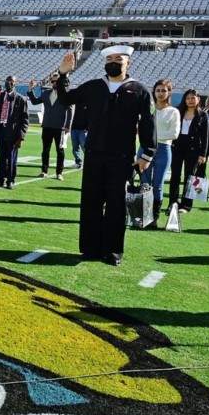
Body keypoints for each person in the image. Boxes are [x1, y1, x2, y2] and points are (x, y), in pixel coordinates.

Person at [56, 46, 155, 265]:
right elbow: (65, 99)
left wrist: (147, 154)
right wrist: (63, 75)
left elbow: (148, 123)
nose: (113, 62)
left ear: (128, 63)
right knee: (90, 202)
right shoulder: (93, 86)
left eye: (118, 59)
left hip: (122, 157)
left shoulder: (139, 90)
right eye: (109, 58)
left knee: (116, 205)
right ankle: (90, 248)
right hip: (93, 154)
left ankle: (112, 251)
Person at [144, 80, 181, 222]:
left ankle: (154, 217)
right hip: (145, 149)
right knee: (144, 183)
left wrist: (153, 136)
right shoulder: (149, 108)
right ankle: (143, 215)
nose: (160, 93)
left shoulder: (174, 111)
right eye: (158, 90)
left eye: (163, 90)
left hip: (163, 149)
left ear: (169, 92)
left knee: (157, 184)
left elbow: (174, 134)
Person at [28, 73, 74, 179]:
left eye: (56, 81)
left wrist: (68, 125)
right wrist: (31, 90)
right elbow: (35, 102)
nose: (54, 83)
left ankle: (59, 173)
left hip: (60, 127)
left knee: (60, 150)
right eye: (53, 81)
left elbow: (70, 109)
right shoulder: (46, 93)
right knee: (45, 150)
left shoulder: (65, 94)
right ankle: (44, 171)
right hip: (47, 125)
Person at [0, 76, 28, 189]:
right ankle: (0, 179)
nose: (9, 83)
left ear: (15, 83)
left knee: (11, 158)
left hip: (13, 132)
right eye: (7, 81)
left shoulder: (21, 99)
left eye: (12, 82)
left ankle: (10, 180)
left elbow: (25, 120)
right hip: (1, 130)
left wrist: (21, 137)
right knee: (1, 157)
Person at [171, 90, 205, 213]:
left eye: (193, 98)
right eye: (188, 98)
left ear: (198, 99)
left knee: (189, 177)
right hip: (177, 146)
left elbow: (204, 136)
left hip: (193, 149)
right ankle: (173, 203)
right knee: (175, 176)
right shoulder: (178, 112)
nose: (190, 100)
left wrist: (203, 154)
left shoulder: (202, 115)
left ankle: (186, 205)